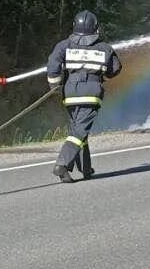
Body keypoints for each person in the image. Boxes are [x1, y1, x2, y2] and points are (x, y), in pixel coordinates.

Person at [47, 10, 122, 183]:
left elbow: (53, 65)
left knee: (79, 129)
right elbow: (115, 69)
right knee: (79, 131)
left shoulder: (64, 45)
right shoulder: (104, 48)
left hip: (70, 93)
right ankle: (62, 165)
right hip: (91, 94)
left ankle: (85, 168)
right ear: (96, 28)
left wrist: (55, 85)